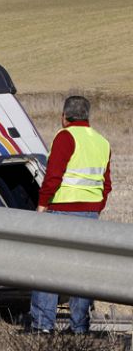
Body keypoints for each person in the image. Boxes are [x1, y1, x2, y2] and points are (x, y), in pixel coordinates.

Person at [28, 95, 112, 334]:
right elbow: (106, 185)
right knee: (81, 271)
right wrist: (95, 207)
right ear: (87, 116)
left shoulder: (65, 137)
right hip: (90, 214)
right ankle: (79, 328)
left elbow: (53, 176)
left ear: (64, 116)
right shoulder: (102, 141)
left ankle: (42, 327)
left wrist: (42, 206)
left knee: (48, 268)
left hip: (62, 211)